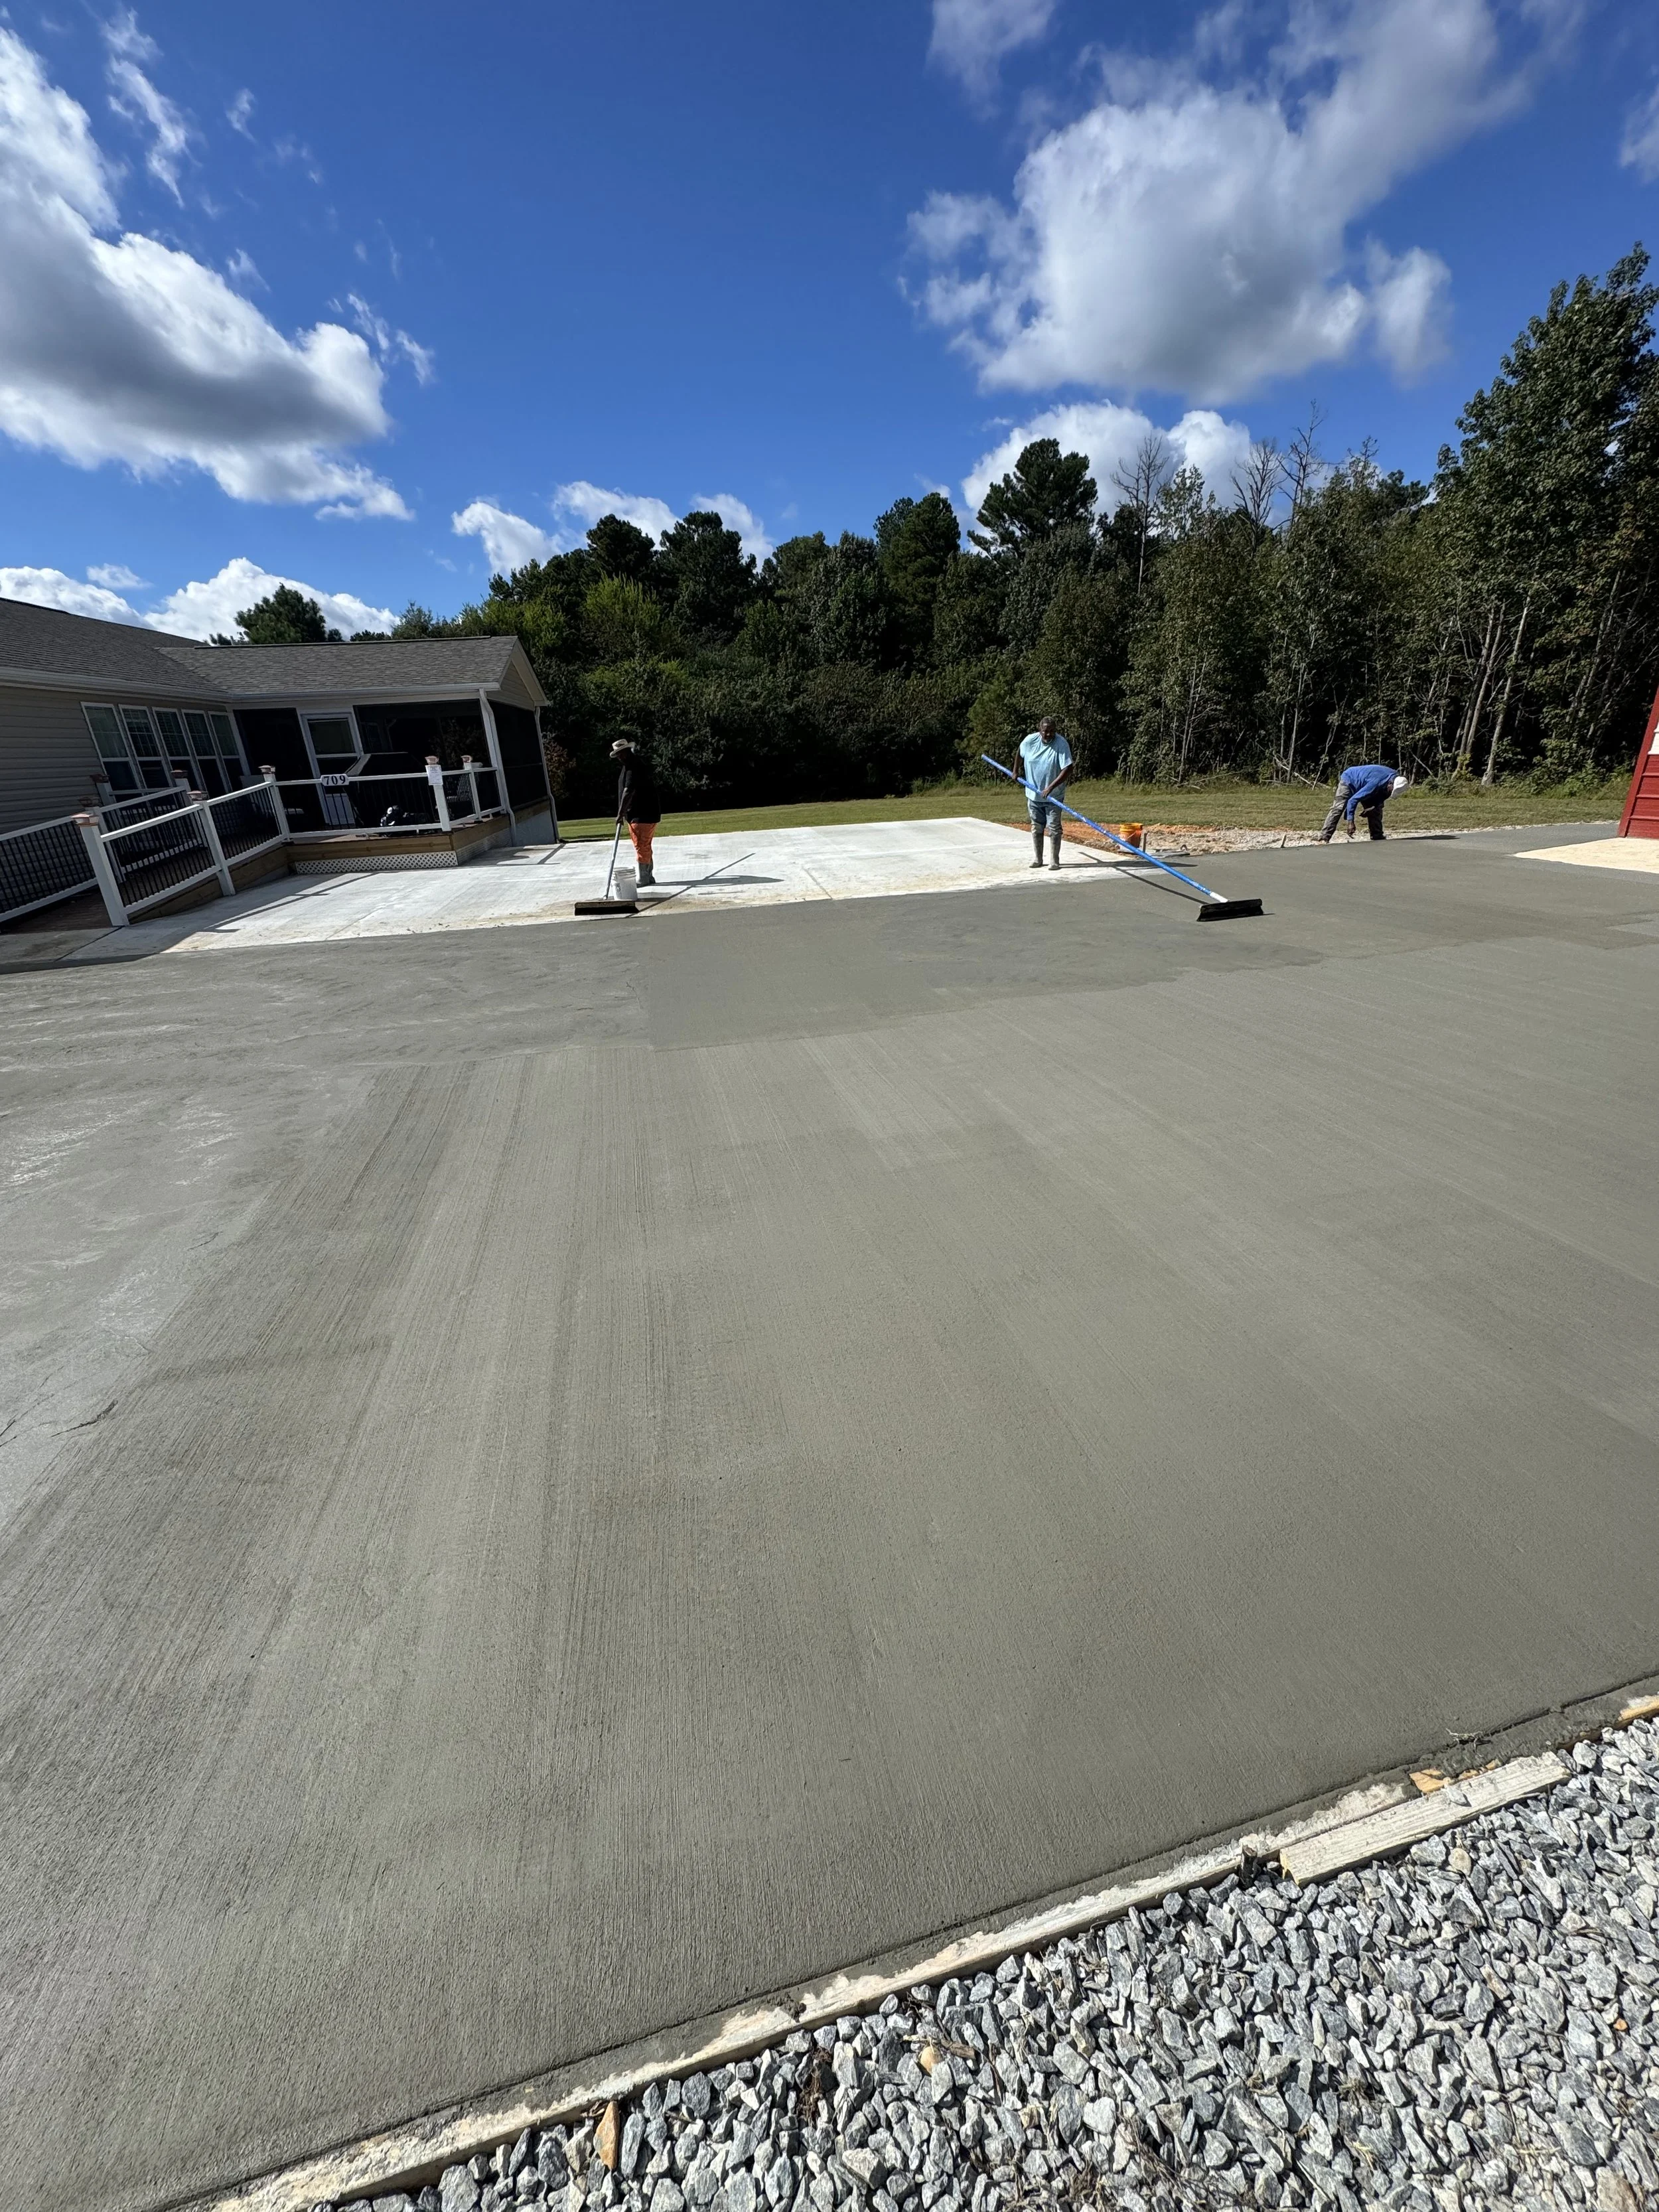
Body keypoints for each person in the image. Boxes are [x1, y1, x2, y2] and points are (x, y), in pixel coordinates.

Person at [1017, 716, 1073, 870]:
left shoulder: (1061, 744)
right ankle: (1038, 859)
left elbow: (1068, 769)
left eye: (1051, 731)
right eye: (1045, 731)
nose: (1048, 734)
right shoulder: (1030, 741)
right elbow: (1019, 752)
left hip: (1053, 797)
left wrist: (1050, 788)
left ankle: (1054, 860)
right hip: (1033, 795)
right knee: (1036, 827)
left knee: (1054, 828)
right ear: (1040, 730)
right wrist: (1016, 771)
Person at [611, 738, 661, 886]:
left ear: (627, 751)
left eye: (621, 753)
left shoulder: (633, 767)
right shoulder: (631, 765)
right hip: (643, 813)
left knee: (641, 845)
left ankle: (644, 878)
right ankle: (648, 876)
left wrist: (620, 814)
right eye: (617, 754)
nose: (619, 757)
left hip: (642, 813)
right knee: (645, 845)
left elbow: (628, 791)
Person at [1318, 764, 1408, 842]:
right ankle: (1324, 836)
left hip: (1366, 783)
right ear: (1390, 784)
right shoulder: (1376, 783)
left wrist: (1373, 807)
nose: (1389, 792)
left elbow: (1383, 797)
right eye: (1390, 790)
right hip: (1350, 780)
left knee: (1377, 809)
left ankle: (1377, 835)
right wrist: (1351, 822)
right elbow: (1353, 800)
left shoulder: (1396, 779)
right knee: (1338, 808)